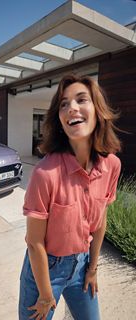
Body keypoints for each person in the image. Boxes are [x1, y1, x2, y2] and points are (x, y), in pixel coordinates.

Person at [18, 74, 121, 320]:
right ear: (60, 120)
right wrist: (45, 294)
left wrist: (93, 269)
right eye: (64, 104)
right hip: (45, 271)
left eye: (81, 99)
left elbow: (100, 223)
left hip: (83, 265)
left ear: (97, 110)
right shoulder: (45, 173)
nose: (71, 108)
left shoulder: (112, 166)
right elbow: (35, 243)